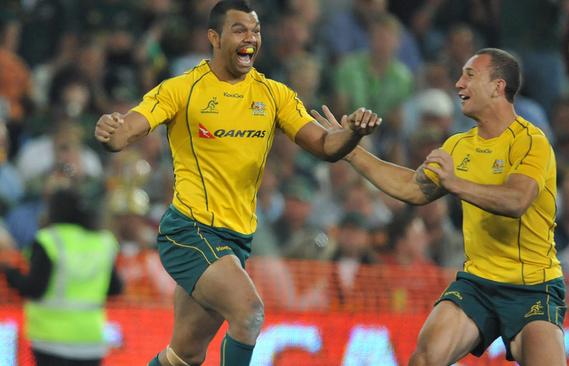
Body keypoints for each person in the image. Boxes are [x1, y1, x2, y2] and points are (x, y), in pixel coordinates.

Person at [93, 1, 381, 365]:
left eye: (256, 31)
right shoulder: (182, 89)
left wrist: (353, 133)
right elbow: (127, 131)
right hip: (189, 231)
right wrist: (111, 133)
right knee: (249, 312)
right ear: (214, 37)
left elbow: (325, 145)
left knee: (184, 356)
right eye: (240, 30)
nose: (251, 38)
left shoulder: (273, 95)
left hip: (237, 239)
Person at [317, 48, 566, 365]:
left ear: (497, 86)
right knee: (424, 358)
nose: (459, 84)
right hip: (478, 283)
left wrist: (454, 183)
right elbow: (411, 187)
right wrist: (350, 150)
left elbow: (516, 201)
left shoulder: (531, 141)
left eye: (470, 75)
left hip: (534, 287)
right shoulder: (458, 145)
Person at [0, 188, 122, 366]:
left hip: (51, 341)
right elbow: (115, 288)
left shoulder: (49, 240)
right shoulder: (102, 242)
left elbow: (34, 289)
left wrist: (9, 272)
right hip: (90, 342)